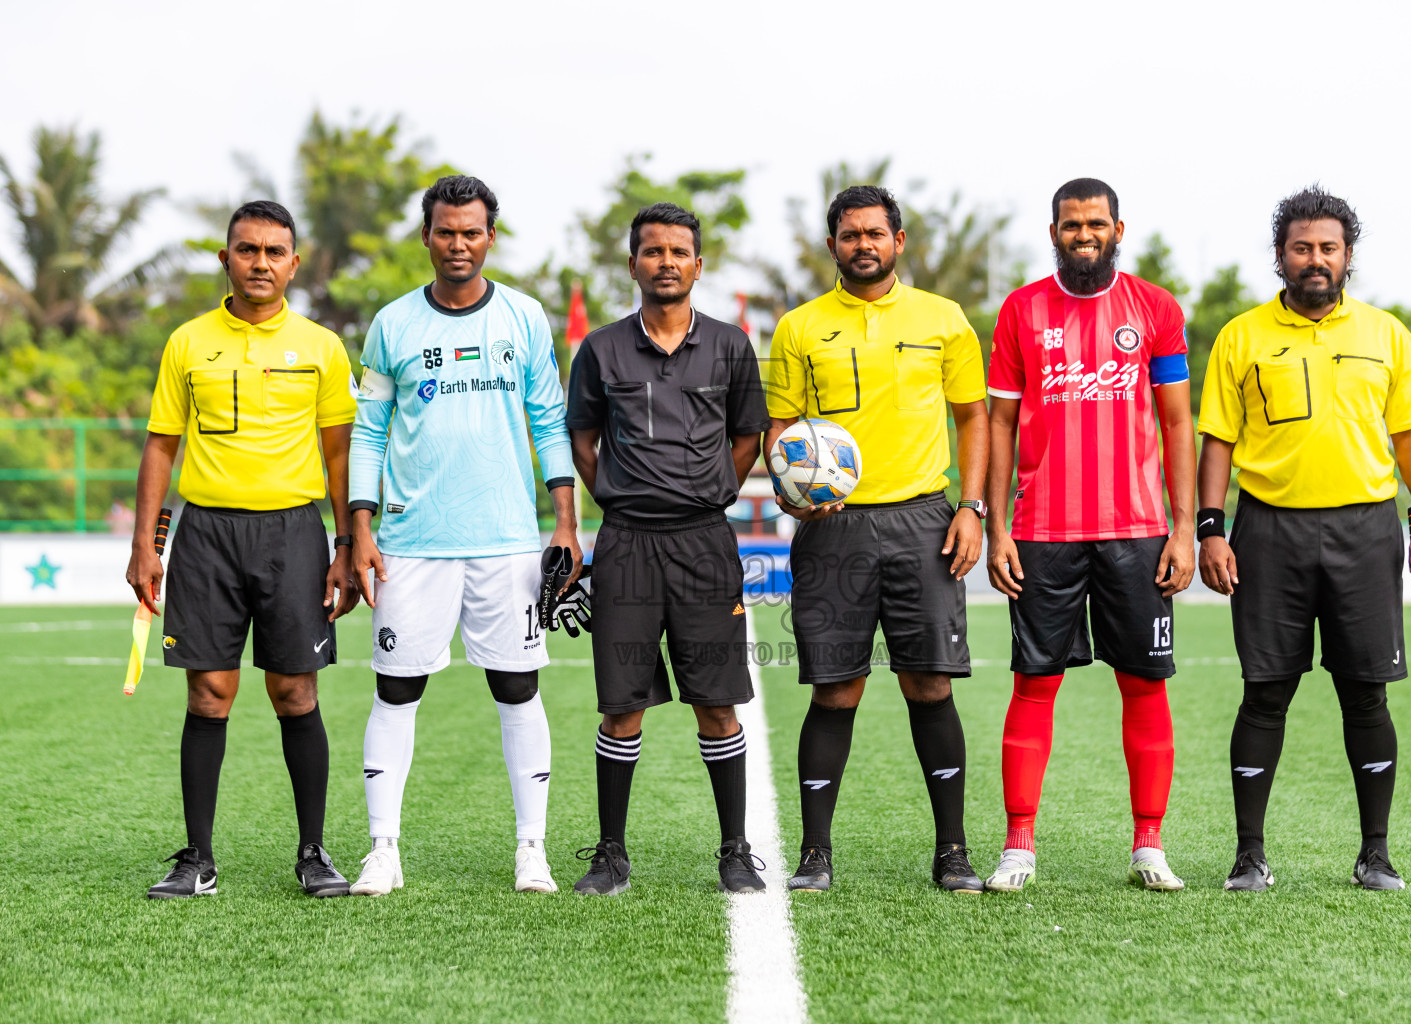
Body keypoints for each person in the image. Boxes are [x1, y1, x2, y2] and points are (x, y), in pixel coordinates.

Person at [1197, 186, 1411, 892]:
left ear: (1347, 256)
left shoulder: (1387, 333)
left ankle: (1376, 853)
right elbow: (1217, 441)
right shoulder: (1242, 336)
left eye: (1329, 248)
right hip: (1269, 532)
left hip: (1366, 531)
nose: (1316, 260)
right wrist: (1210, 528)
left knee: (1366, 694)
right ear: (1280, 256)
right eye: (1302, 248)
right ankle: (1250, 854)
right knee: (1265, 691)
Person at [346, 175, 579, 896]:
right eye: (445, 231)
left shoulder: (524, 316)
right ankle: (383, 850)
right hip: (411, 542)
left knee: (517, 687)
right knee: (396, 691)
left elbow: (548, 420)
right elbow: (369, 430)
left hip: (508, 539)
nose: (458, 244)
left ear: (490, 237)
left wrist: (565, 521)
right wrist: (360, 525)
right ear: (426, 236)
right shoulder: (391, 325)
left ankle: (530, 848)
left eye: (471, 232)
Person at [128, 200, 359, 899]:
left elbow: (342, 453)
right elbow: (161, 445)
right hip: (207, 536)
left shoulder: (321, 346)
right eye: (247, 249)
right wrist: (145, 544)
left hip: (293, 532)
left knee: (295, 690)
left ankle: (314, 853)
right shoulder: (188, 342)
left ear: (294, 262)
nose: (260, 263)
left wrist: (347, 542)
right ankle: (197, 858)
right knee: (210, 692)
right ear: (225, 258)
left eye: (274, 251)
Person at [765, 185, 989, 893]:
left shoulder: (944, 320)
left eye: (875, 233)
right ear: (833, 244)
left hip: (924, 520)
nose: (864, 244)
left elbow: (974, 418)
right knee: (836, 690)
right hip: (833, 528)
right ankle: (815, 854)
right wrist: (787, 488)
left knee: (929, 684)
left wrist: (972, 507)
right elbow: (779, 428)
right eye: (850, 234)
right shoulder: (798, 327)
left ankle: (952, 851)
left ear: (898, 241)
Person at [982, 178, 1196, 893]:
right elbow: (1001, 425)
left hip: (1138, 531)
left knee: (1144, 685)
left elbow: (1175, 424)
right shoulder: (1020, 311)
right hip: (1041, 532)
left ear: (1118, 229)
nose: (1084, 234)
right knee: (1033, 684)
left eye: (1095, 223)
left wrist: (1185, 529)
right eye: (1071, 224)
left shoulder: (1157, 310)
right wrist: (997, 527)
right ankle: (1019, 846)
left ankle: (1149, 845)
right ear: (1053, 233)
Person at [565, 202, 771, 896]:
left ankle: (735, 851)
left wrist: (710, 489)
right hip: (626, 545)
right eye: (653, 252)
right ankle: (611, 854)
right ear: (633, 265)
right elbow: (583, 440)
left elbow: (748, 436)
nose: (666, 262)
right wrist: (622, 498)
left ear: (698, 265)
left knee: (717, 702)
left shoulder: (731, 346)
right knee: (622, 705)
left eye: (679, 252)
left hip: (704, 543)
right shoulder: (600, 349)